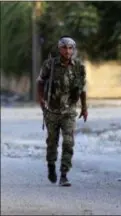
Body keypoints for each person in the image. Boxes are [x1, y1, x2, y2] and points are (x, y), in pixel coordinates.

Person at [36, 36, 88, 187]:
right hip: (52, 110)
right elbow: (40, 81)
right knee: (52, 142)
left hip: (70, 110)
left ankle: (64, 174)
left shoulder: (79, 67)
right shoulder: (50, 65)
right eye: (64, 48)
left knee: (68, 142)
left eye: (70, 48)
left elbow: (82, 89)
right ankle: (51, 165)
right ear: (59, 49)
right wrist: (41, 99)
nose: (67, 51)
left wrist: (84, 108)